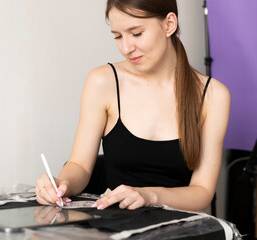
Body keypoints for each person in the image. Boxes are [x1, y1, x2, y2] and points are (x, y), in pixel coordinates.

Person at [35, 0, 230, 212]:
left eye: (136, 33)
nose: (126, 48)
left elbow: (202, 191)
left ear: (169, 24)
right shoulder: (103, 81)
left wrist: (148, 195)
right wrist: (63, 184)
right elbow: (79, 165)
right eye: (118, 36)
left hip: (176, 229)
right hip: (113, 227)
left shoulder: (213, 95)